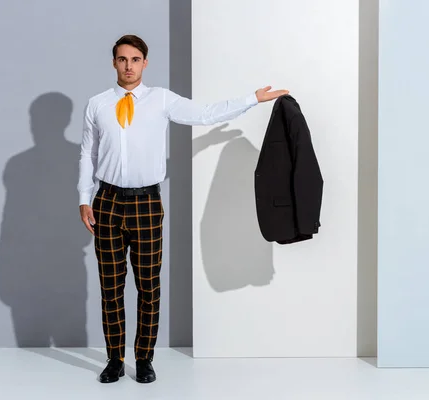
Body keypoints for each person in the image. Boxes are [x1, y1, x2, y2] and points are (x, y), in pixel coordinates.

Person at [77, 34, 288, 384]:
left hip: (146, 201)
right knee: (110, 286)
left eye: (135, 59)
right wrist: (84, 197)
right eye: (122, 59)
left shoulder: (161, 99)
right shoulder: (96, 104)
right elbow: (88, 153)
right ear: (113, 62)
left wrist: (253, 99)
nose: (128, 66)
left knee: (148, 284)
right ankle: (115, 359)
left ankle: (143, 359)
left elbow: (204, 115)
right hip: (107, 202)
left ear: (145, 63)